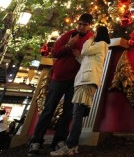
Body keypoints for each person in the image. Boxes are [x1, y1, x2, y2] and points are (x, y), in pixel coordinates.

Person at [28, 13, 94, 156]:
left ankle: (59, 140)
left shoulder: (91, 39)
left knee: (68, 112)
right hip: (58, 78)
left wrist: (79, 56)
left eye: (84, 25)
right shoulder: (68, 35)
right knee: (48, 109)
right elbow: (54, 52)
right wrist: (68, 45)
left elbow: (91, 59)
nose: (81, 27)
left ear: (90, 26)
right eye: (80, 24)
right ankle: (36, 141)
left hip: (76, 80)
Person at [50, 25, 110, 156]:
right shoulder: (97, 47)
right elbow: (86, 60)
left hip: (87, 81)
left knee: (77, 114)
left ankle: (70, 145)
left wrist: (89, 39)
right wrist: (78, 57)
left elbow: (85, 50)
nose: (93, 34)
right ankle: (73, 145)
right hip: (83, 80)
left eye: (95, 32)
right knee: (77, 113)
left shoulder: (102, 44)